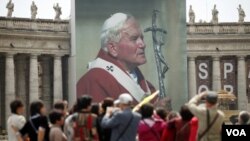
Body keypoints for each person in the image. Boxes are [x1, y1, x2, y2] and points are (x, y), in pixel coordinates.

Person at [77, 13, 155, 103]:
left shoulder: (144, 83)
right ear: (113, 48)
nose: (143, 45)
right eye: (134, 39)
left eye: (141, 38)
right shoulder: (96, 81)